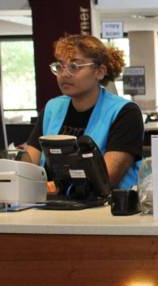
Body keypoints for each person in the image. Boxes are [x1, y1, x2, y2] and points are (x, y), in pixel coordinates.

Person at [22, 34, 143, 190]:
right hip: (50, 205)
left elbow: (106, 179)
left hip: (103, 209)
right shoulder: (53, 108)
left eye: (75, 66)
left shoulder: (125, 112)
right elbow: (29, 161)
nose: (64, 74)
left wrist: (48, 188)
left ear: (99, 72)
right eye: (60, 67)